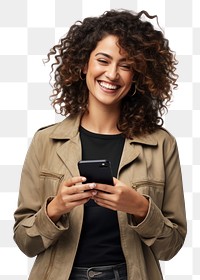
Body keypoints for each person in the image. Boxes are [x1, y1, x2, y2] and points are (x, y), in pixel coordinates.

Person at [13, 9, 187, 280]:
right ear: (84, 65)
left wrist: (141, 209)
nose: (113, 74)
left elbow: (171, 247)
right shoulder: (46, 141)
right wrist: (56, 207)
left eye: (126, 65)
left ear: (137, 76)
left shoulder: (161, 144)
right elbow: (25, 242)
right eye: (103, 60)